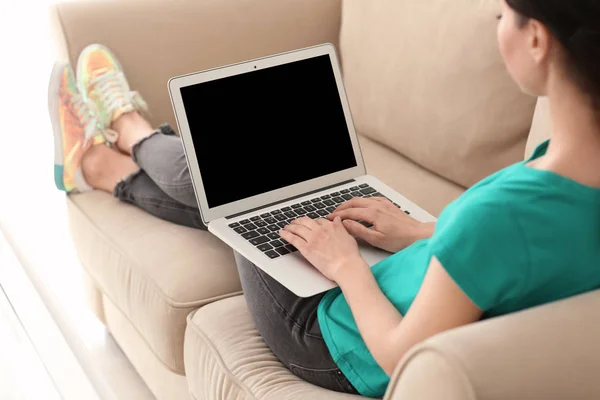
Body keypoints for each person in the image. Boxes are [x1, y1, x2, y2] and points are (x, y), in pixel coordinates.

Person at [49, 0, 600, 396]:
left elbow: (405, 356)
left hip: (333, 338)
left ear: (537, 40)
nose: (497, 23)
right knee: (258, 185)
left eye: (504, 11)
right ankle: (107, 164)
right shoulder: (563, 175)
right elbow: (524, 256)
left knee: (244, 184)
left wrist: (345, 267)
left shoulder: (498, 217)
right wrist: (430, 232)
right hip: (412, 274)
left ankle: (130, 132)